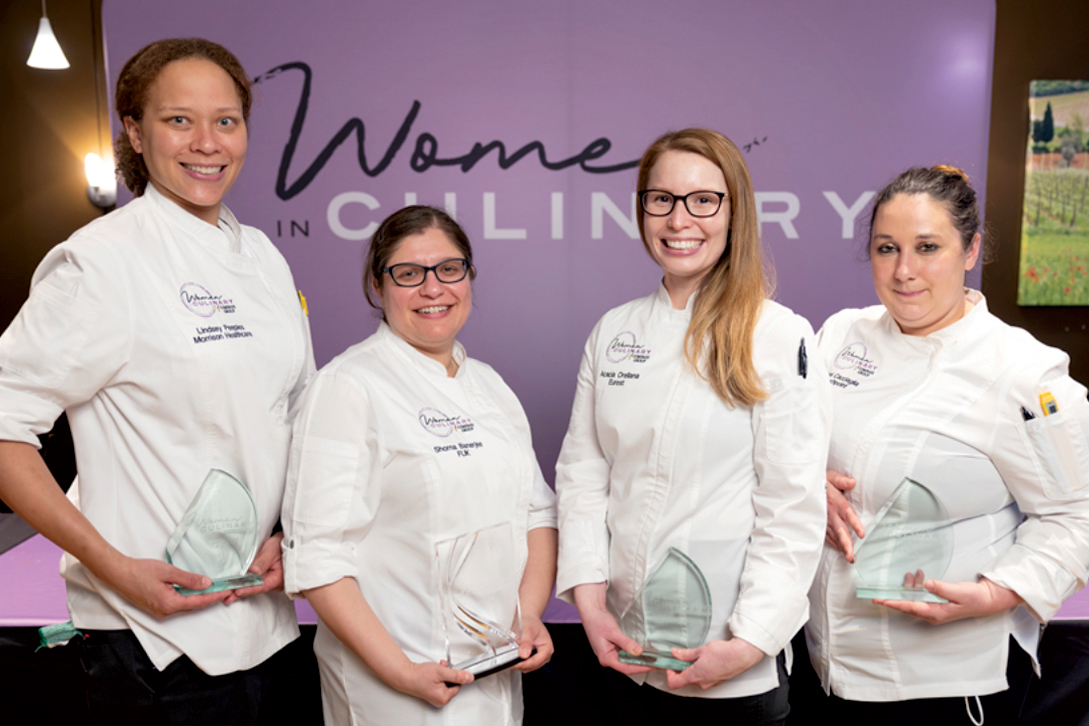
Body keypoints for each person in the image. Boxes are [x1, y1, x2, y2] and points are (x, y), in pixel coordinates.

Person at [0, 38, 314, 723]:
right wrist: (114, 567)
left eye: (226, 120)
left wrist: (292, 533)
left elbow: (298, 414)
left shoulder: (263, 257)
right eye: (178, 120)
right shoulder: (101, 263)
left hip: (265, 624)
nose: (207, 143)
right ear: (136, 134)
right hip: (151, 642)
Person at [554, 128, 831, 724]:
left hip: (732, 672)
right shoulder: (614, 332)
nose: (679, 220)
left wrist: (749, 643)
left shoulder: (778, 336)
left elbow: (791, 508)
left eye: (703, 200)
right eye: (662, 199)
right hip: (625, 656)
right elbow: (584, 477)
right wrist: (590, 605)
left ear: (735, 212)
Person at [807, 165, 1089, 724]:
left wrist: (999, 593)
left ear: (971, 249)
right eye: (887, 248)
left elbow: (1077, 514)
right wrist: (809, 485)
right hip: (826, 666)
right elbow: (787, 450)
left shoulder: (1026, 373)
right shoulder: (839, 336)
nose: (904, 271)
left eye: (927, 247)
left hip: (949, 681)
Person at [281, 205, 558, 725]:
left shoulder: (490, 386)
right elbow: (317, 557)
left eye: (449, 269)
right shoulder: (347, 386)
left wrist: (528, 618)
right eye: (408, 274)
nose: (433, 288)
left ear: (469, 277)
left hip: (496, 676)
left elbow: (538, 513)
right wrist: (401, 671)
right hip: (394, 687)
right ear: (377, 286)